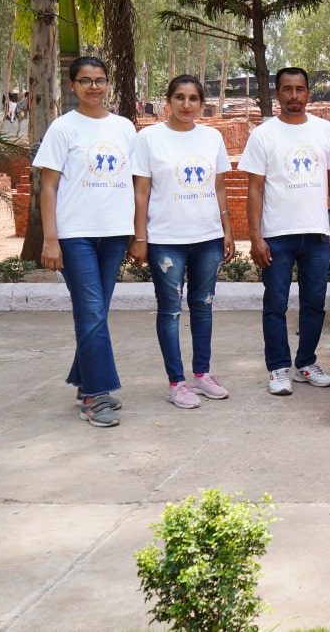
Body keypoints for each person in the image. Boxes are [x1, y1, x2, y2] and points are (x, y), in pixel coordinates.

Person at [32, 56, 136, 427]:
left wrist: (137, 233)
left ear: (108, 84)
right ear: (73, 86)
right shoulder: (63, 128)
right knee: (91, 312)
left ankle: (84, 381)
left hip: (114, 234)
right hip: (75, 235)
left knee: (97, 313)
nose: (94, 86)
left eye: (100, 80)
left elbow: (137, 182)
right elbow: (48, 186)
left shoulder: (124, 128)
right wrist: (50, 239)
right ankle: (96, 394)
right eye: (85, 80)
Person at [130, 75, 235, 409]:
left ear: (201, 103)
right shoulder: (149, 139)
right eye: (179, 97)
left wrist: (227, 229)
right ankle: (176, 383)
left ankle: (201, 375)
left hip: (207, 236)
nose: (186, 105)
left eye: (193, 98)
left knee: (203, 306)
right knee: (171, 310)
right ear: (168, 102)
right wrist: (140, 236)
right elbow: (141, 191)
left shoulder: (212, 137)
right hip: (165, 239)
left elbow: (218, 187)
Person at [239, 67, 330, 396]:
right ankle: (278, 368)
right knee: (276, 304)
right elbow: (254, 189)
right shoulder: (264, 135)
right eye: (287, 89)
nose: (294, 95)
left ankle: (306, 363)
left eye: (299, 89)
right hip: (277, 235)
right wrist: (256, 237)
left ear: (308, 93)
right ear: (278, 93)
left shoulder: (324, 131)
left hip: (315, 233)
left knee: (314, 303)